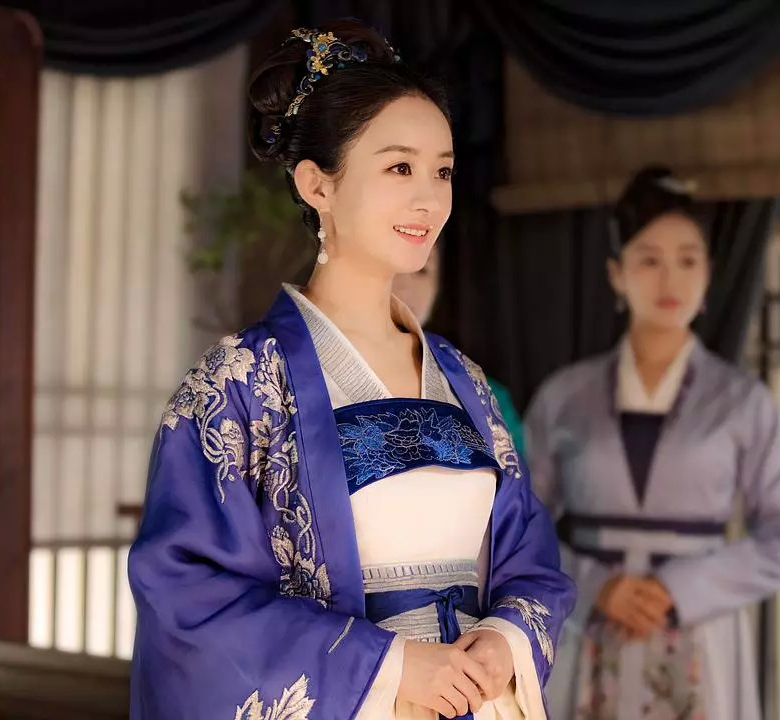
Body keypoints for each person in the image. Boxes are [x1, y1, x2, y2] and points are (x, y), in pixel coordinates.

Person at [128, 21, 574, 720]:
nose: (429, 199)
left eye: (443, 170)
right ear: (317, 185)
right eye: (399, 168)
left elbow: (531, 559)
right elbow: (187, 593)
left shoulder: (467, 385)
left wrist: (502, 641)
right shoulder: (236, 387)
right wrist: (391, 668)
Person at [524, 166, 780, 720]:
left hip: (700, 636)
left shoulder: (742, 401)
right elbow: (519, 531)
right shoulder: (564, 396)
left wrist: (683, 587)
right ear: (617, 275)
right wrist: (594, 585)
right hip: (589, 633)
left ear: (708, 276)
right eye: (649, 260)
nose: (669, 280)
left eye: (687, 260)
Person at [392, 249, 526, 457]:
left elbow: (514, 474)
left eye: (422, 270)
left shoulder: (483, 394)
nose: (405, 285)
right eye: (391, 268)